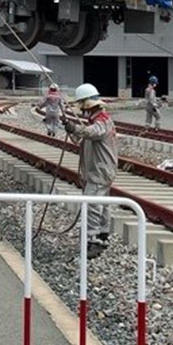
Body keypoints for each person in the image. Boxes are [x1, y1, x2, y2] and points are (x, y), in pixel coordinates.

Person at [63, 83, 119, 258]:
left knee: (93, 204)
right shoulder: (97, 121)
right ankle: (102, 235)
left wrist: (75, 128)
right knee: (101, 204)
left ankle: (93, 239)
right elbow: (84, 139)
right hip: (101, 170)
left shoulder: (102, 121)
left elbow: (92, 133)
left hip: (99, 171)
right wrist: (72, 130)